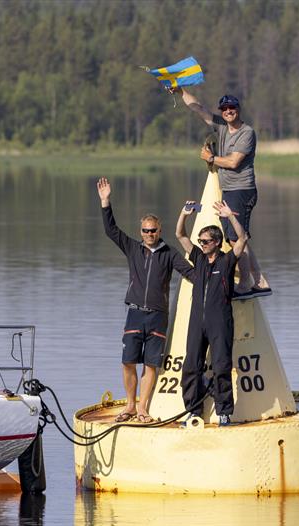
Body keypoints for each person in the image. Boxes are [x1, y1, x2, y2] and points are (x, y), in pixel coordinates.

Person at [97, 177, 194, 424]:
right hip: (135, 313)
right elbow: (111, 231)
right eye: (145, 231)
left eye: (153, 230)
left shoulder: (169, 253)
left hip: (158, 316)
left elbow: (191, 273)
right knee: (128, 361)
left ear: (159, 231)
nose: (149, 234)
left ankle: (143, 408)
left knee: (151, 365)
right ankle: (129, 405)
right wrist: (105, 202)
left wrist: (215, 271)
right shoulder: (133, 248)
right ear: (141, 232)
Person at [171, 87, 271, 299]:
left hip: (241, 190)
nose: (228, 111)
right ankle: (260, 281)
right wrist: (180, 91)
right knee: (238, 238)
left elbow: (234, 162)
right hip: (230, 190)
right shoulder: (222, 127)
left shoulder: (247, 133)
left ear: (238, 109)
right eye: (224, 108)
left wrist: (210, 158)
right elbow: (198, 109)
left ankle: (245, 284)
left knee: (237, 239)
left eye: (231, 107)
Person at [175, 199, 249, 426]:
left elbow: (243, 239)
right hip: (197, 323)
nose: (202, 244)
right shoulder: (198, 258)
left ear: (217, 242)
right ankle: (193, 410)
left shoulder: (226, 261)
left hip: (220, 324)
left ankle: (224, 411)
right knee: (191, 368)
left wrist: (230, 216)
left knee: (221, 367)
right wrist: (184, 214)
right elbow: (180, 235)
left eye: (206, 241)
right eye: (201, 241)